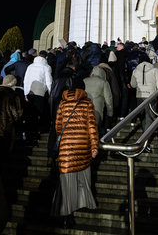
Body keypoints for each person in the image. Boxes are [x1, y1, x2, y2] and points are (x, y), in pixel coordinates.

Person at [50, 84, 99, 228]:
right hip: (83, 145)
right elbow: (91, 125)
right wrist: (94, 145)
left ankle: (66, 215)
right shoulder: (87, 102)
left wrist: (64, 138)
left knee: (66, 180)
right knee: (82, 173)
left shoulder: (63, 103)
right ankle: (83, 202)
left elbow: (58, 125)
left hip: (66, 146)